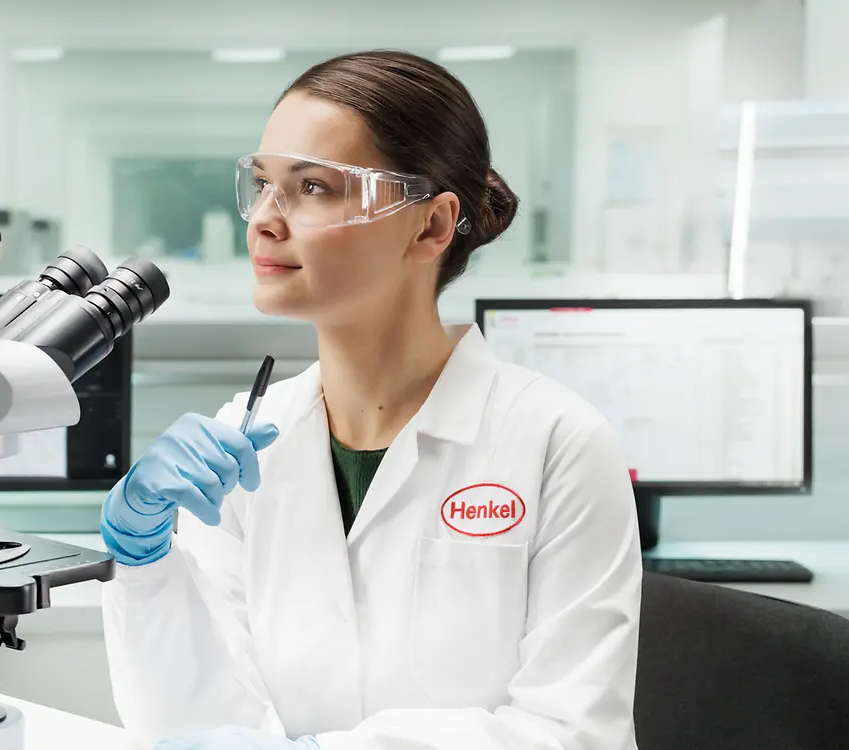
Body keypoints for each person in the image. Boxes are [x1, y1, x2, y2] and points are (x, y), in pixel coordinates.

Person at [100, 49, 642, 750]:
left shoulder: (555, 440)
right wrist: (144, 565)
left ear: (432, 226)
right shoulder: (245, 436)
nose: (265, 219)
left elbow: (572, 734)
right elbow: (192, 723)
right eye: (262, 183)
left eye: (315, 187)